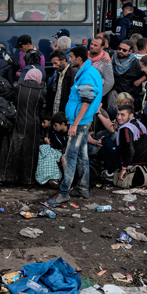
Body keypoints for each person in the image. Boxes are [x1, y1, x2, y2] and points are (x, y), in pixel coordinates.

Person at [48, 46, 103, 204]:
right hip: (82, 122)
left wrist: (74, 124)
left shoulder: (86, 75)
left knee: (70, 157)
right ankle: (83, 188)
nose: (69, 59)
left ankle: (64, 192)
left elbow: (86, 101)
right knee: (82, 156)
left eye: (71, 57)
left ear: (79, 58)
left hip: (79, 123)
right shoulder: (88, 72)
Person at [0, 69, 45, 187]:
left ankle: (7, 178)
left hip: (17, 121)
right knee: (29, 152)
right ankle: (27, 180)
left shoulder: (17, 86)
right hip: (33, 124)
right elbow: (42, 109)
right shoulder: (42, 91)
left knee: (12, 149)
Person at [115, 104, 147, 184]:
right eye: (118, 114)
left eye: (122, 115)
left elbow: (130, 149)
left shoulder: (126, 128)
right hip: (146, 161)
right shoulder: (139, 123)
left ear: (131, 115)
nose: (119, 117)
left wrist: (124, 168)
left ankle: (109, 172)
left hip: (133, 163)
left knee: (108, 143)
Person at [113, 40, 145, 107]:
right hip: (114, 93)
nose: (120, 51)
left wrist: (139, 81)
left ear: (130, 51)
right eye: (119, 49)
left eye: (124, 50)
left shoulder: (136, 63)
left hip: (128, 95)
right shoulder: (112, 58)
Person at [47, 50, 77, 115]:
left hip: (66, 114)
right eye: (53, 63)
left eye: (55, 63)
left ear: (63, 60)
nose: (53, 66)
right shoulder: (58, 72)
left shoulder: (73, 74)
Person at [88, 36, 115, 102]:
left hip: (94, 96)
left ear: (102, 47)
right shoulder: (84, 56)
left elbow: (109, 82)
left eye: (95, 45)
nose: (92, 46)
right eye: (91, 44)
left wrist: (98, 95)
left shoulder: (105, 61)